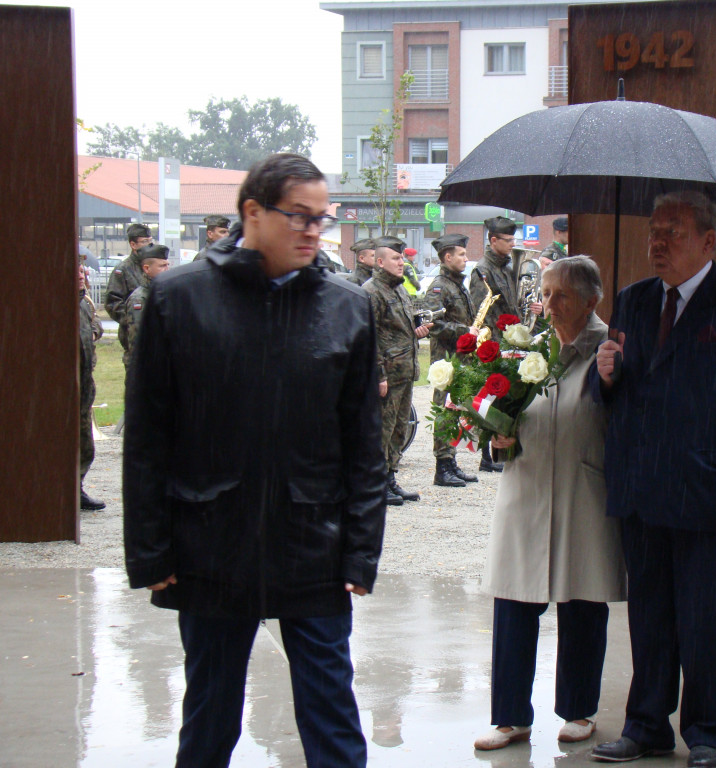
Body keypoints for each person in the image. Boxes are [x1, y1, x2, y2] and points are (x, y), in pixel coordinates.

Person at [123, 153, 386, 768]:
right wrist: (151, 552)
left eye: (322, 219)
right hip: (211, 540)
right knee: (210, 715)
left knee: (332, 717)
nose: (312, 231)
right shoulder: (177, 299)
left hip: (313, 543)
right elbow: (148, 439)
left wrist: (361, 549)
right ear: (252, 212)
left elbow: (364, 446)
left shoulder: (347, 306)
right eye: (299, 216)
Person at [590, 191, 716, 768]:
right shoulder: (633, 300)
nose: (658, 242)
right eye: (654, 230)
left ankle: (706, 731)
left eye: (673, 232)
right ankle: (645, 724)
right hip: (643, 487)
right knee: (648, 616)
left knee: (703, 619)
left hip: (708, 490)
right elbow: (621, 396)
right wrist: (607, 377)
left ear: (708, 241)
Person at [474, 256, 626, 751]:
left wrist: (611, 382)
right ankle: (509, 717)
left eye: (561, 295)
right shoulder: (532, 346)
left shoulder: (612, 349)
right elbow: (509, 409)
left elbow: (627, 420)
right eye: (546, 293)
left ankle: (579, 709)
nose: (549, 304)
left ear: (591, 300)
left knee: (582, 600)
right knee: (514, 601)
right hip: (528, 489)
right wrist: (497, 435)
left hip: (584, 488)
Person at [364, 235, 432, 506]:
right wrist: (378, 375)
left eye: (402, 257)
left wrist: (418, 330)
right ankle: (377, 484)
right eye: (396, 258)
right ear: (380, 261)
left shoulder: (400, 289)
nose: (402, 262)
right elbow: (370, 337)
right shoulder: (373, 291)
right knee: (384, 428)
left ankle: (390, 478)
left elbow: (399, 330)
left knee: (399, 429)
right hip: (388, 375)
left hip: (404, 371)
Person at [423, 233, 480, 487]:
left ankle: (451, 461)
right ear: (448, 257)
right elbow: (432, 324)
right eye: (462, 254)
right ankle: (442, 465)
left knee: (455, 409)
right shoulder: (439, 286)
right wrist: (464, 331)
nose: (466, 259)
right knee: (444, 411)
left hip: (460, 358)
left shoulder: (458, 284)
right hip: (445, 361)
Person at [470, 216, 520, 473]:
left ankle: (498, 451)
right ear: (493, 240)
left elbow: (511, 305)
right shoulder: (483, 270)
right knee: (491, 396)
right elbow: (483, 312)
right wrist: (495, 345)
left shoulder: (506, 268)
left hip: (510, 339)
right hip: (495, 343)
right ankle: (487, 456)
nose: (513, 244)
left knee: (506, 396)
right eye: (509, 240)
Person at [104, 222, 152, 375]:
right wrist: (133, 319)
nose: (149, 245)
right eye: (144, 241)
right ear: (133, 244)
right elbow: (112, 303)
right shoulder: (123, 270)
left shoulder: (153, 265)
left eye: (150, 240)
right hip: (133, 337)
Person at [79, 264, 105, 511]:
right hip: (67, 382)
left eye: (82, 272)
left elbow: (97, 325)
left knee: (85, 443)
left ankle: (77, 487)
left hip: (85, 382)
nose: (80, 276)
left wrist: (95, 331)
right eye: (74, 273)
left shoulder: (84, 302)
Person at [123, 243, 170, 369]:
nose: (167, 269)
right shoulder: (140, 299)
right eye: (162, 266)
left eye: (167, 265)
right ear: (146, 268)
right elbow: (137, 341)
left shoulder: (163, 293)